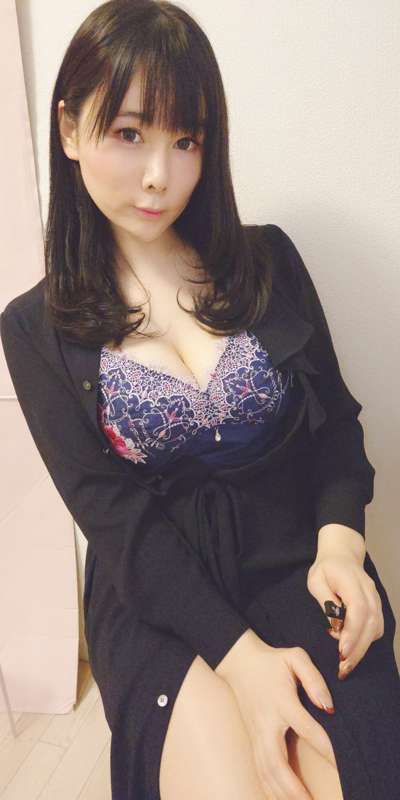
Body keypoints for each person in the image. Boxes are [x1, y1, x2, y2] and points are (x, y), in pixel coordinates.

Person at [1, 1, 399, 798]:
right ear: (70, 128)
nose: (162, 174)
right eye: (130, 133)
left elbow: (336, 428)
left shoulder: (269, 262)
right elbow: (118, 524)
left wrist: (340, 546)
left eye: (187, 140)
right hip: (161, 596)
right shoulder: (35, 329)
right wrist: (244, 663)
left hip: (298, 561)